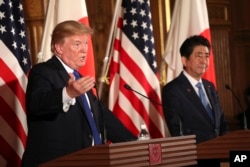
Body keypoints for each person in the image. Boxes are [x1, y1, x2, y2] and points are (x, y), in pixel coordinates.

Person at [21, 20, 137, 167]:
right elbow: (37, 104)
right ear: (59, 48)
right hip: (56, 162)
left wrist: (134, 144)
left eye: (86, 43)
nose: (84, 50)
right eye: (77, 44)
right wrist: (68, 93)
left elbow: (103, 117)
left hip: (90, 160)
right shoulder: (43, 71)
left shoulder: (80, 79)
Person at [161, 35, 229, 167]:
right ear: (185, 60)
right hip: (193, 158)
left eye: (207, 56)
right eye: (199, 56)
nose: (204, 61)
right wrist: (209, 147)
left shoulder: (210, 86)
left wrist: (224, 144)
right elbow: (177, 129)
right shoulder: (173, 90)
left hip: (218, 156)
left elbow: (221, 121)